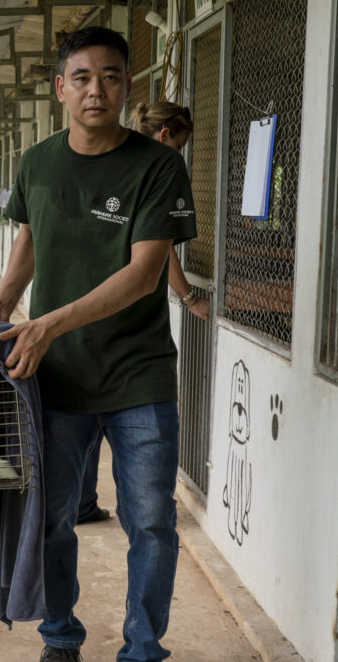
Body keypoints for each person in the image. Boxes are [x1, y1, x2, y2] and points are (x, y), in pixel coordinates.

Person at [0, 26, 196, 662]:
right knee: (50, 520)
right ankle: (60, 638)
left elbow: (144, 273)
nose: (96, 89)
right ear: (59, 88)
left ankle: (143, 649)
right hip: (55, 378)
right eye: (82, 77)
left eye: (110, 76)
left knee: (150, 522)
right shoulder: (38, 161)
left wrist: (45, 323)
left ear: (128, 85)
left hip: (138, 376)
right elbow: (31, 241)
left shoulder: (157, 165)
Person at [77, 100, 205, 526]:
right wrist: (189, 298)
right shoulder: (161, 169)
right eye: (181, 144)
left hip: (84, 315)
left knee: (86, 416)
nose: (180, 153)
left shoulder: (109, 163)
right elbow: (160, 253)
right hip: (126, 321)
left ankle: (82, 501)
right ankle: (130, 508)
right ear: (167, 135)